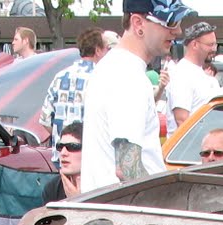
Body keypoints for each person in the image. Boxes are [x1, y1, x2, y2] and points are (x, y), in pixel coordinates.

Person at [80, 0, 186, 193]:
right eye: (170, 22)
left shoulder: (116, 67)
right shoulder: (127, 75)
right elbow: (127, 168)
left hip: (113, 213)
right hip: (128, 216)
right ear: (138, 23)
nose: (177, 31)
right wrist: (162, 209)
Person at [39, 26, 104, 140]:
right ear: (98, 50)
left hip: (62, 152)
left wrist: (60, 136)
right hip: (89, 153)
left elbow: (45, 120)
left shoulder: (60, 77)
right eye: (106, 49)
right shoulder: (102, 78)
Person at [167, 21, 218, 133]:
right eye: (210, 45)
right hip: (189, 149)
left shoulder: (200, 74)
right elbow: (182, 120)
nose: (214, 49)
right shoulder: (182, 74)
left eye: (215, 44)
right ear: (195, 44)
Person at [43, 120, 83, 202]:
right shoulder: (52, 187)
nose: (63, 153)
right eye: (60, 147)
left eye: (72, 147)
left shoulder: (103, 187)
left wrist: (77, 200)